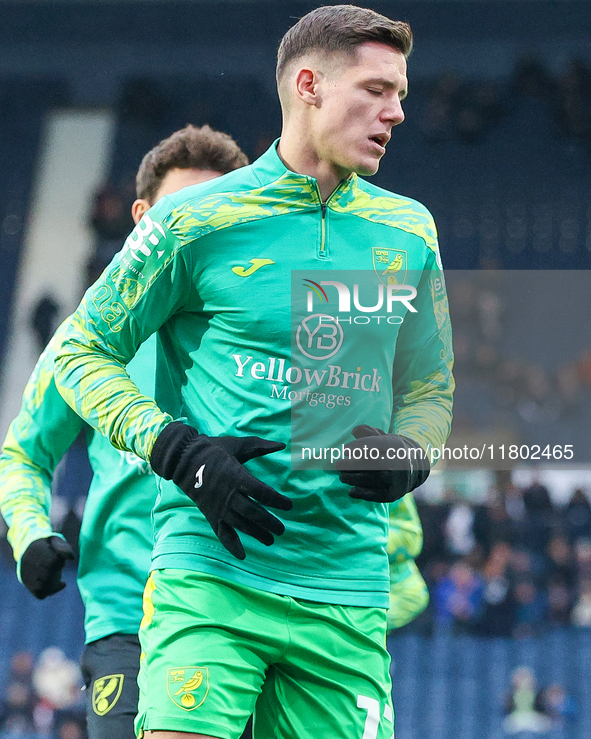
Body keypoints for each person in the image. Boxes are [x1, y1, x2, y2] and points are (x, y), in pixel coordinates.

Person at [54, 6, 454, 738]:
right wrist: (176, 448)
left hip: (346, 589)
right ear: (308, 85)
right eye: (374, 89)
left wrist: (414, 451)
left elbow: (429, 385)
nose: (395, 112)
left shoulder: (409, 230)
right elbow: (81, 352)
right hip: (210, 575)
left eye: (399, 92)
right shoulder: (192, 221)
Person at [0, 124, 249, 739]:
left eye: (214, 214)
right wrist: (30, 532)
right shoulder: (88, 338)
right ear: (142, 218)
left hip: (248, 615)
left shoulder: (264, 333)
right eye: (179, 212)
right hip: (127, 620)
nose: (194, 231)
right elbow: (25, 453)